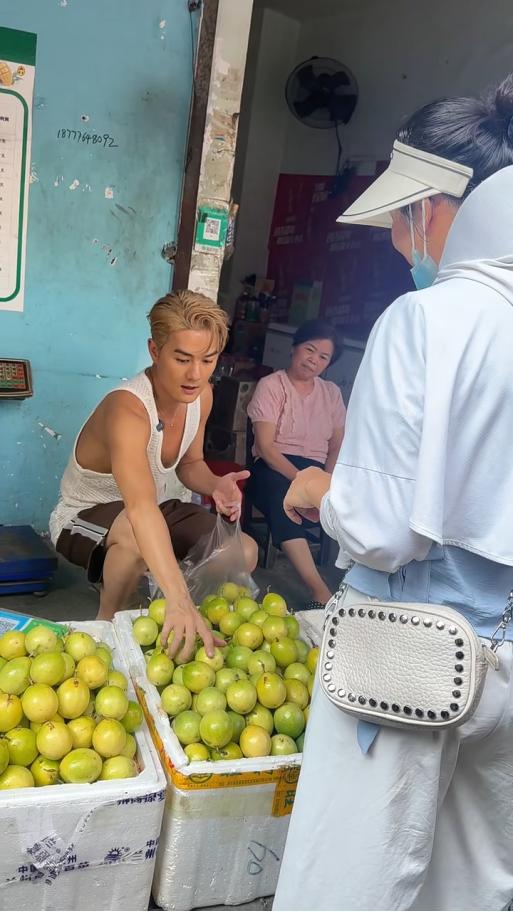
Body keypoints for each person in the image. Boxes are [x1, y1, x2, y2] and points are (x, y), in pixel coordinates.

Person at [274, 74, 513, 912]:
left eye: (401, 217)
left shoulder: (425, 320)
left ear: (441, 207)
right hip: (507, 659)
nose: (394, 240)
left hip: (407, 654)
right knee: (475, 882)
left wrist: (320, 488)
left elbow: (379, 530)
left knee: (346, 880)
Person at [49, 290, 257, 659]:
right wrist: (178, 597)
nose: (195, 374)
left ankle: (179, 622)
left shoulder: (201, 397)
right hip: (84, 518)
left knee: (241, 549)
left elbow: (190, 465)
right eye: (182, 359)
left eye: (208, 360)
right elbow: (141, 509)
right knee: (134, 530)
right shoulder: (127, 409)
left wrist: (216, 485)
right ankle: (107, 626)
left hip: (151, 508)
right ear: (154, 351)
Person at [245, 320, 345, 609]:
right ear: (294, 348)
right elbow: (265, 447)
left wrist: (326, 478)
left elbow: (338, 444)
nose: (314, 360)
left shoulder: (331, 394)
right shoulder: (272, 386)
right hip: (273, 467)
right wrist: (302, 481)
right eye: (309, 350)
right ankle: (319, 589)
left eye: (323, 357)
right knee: (283, 497)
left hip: (315, 470)